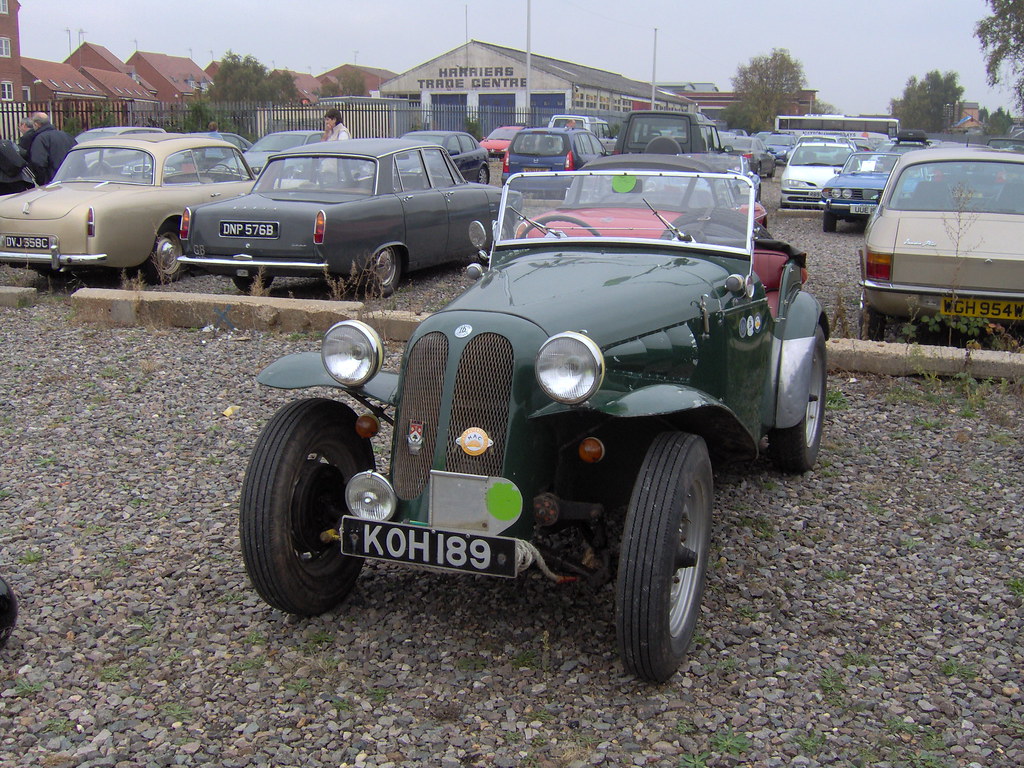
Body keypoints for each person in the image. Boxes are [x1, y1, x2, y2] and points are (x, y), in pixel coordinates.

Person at [28, 112, 75, 185]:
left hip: (52, 180)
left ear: (36, 124)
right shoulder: (66, 136)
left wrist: (42, 180)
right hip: (70, 178)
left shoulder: (40, 139)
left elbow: (38, 162)